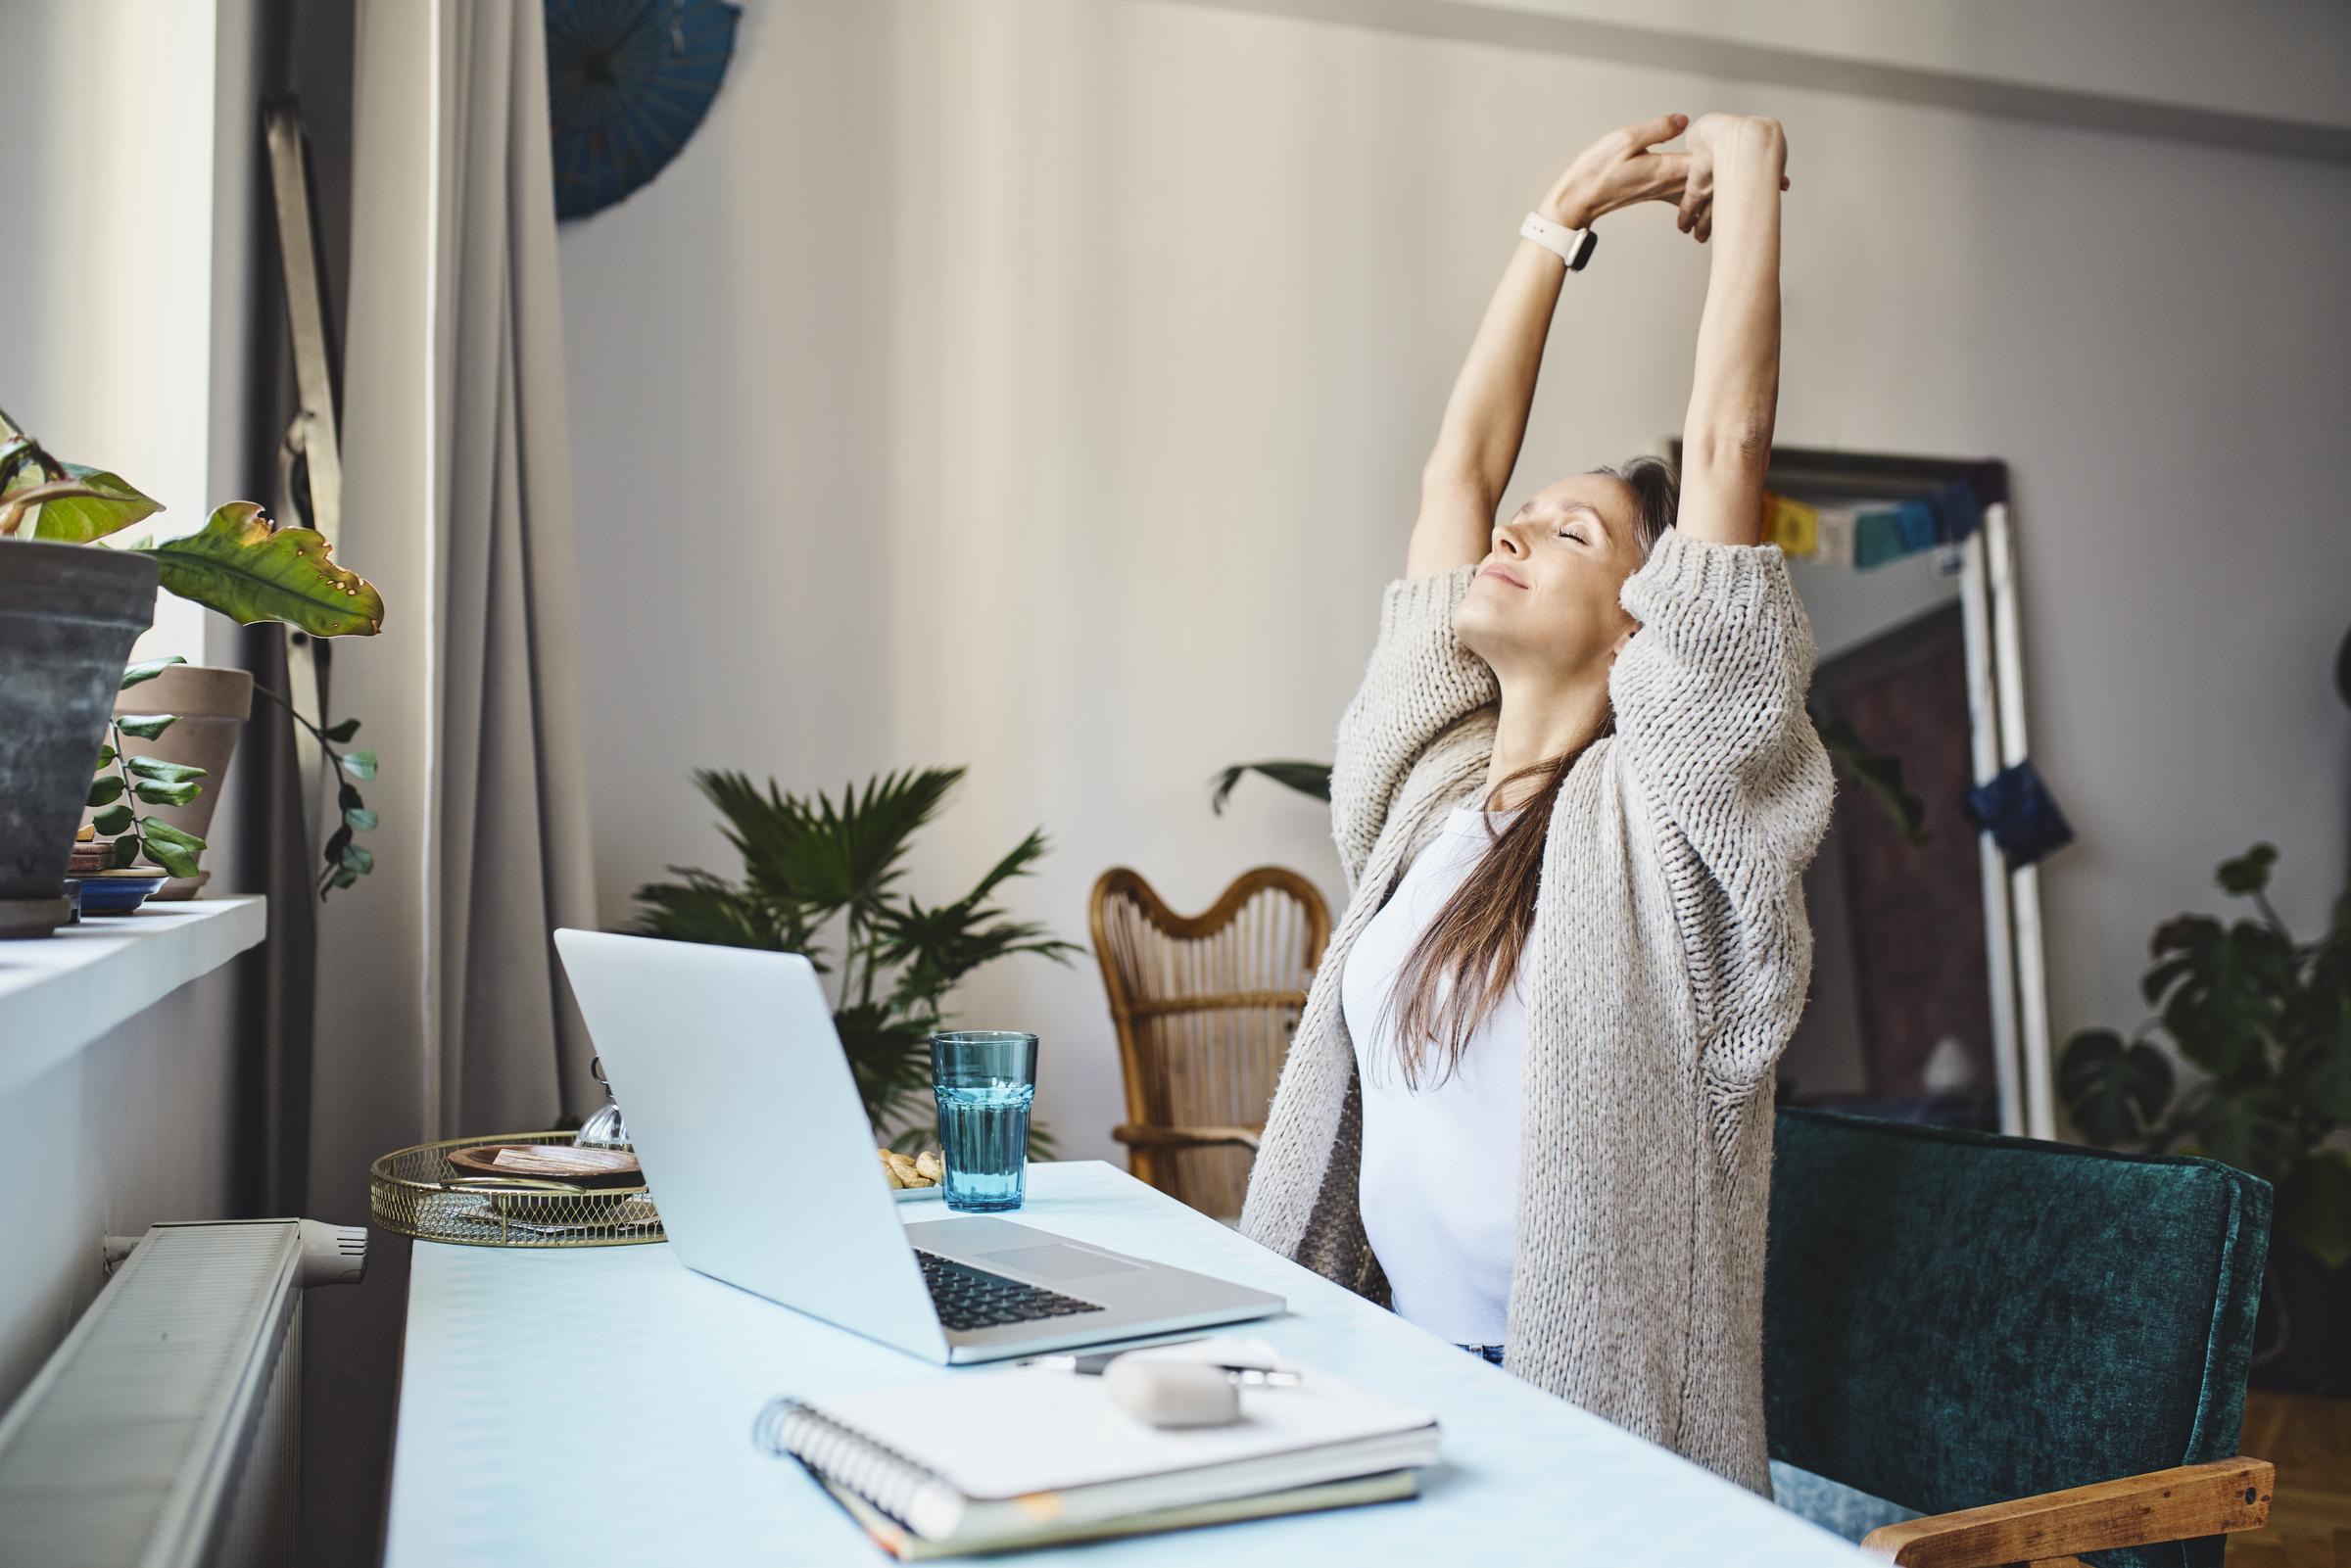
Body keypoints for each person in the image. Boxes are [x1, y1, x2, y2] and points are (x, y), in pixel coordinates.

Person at [1237, 111, 1833, 1494]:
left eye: (1570, 533)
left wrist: (1745, 170)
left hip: (1582, 1432)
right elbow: (1458, 471)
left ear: (1651, 626)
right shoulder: (1428, 794)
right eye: (1528, 521)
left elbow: (1731, 441)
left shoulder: (1673, 824)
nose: (1508, 532)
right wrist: (1563, 210)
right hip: (1386, 1377)